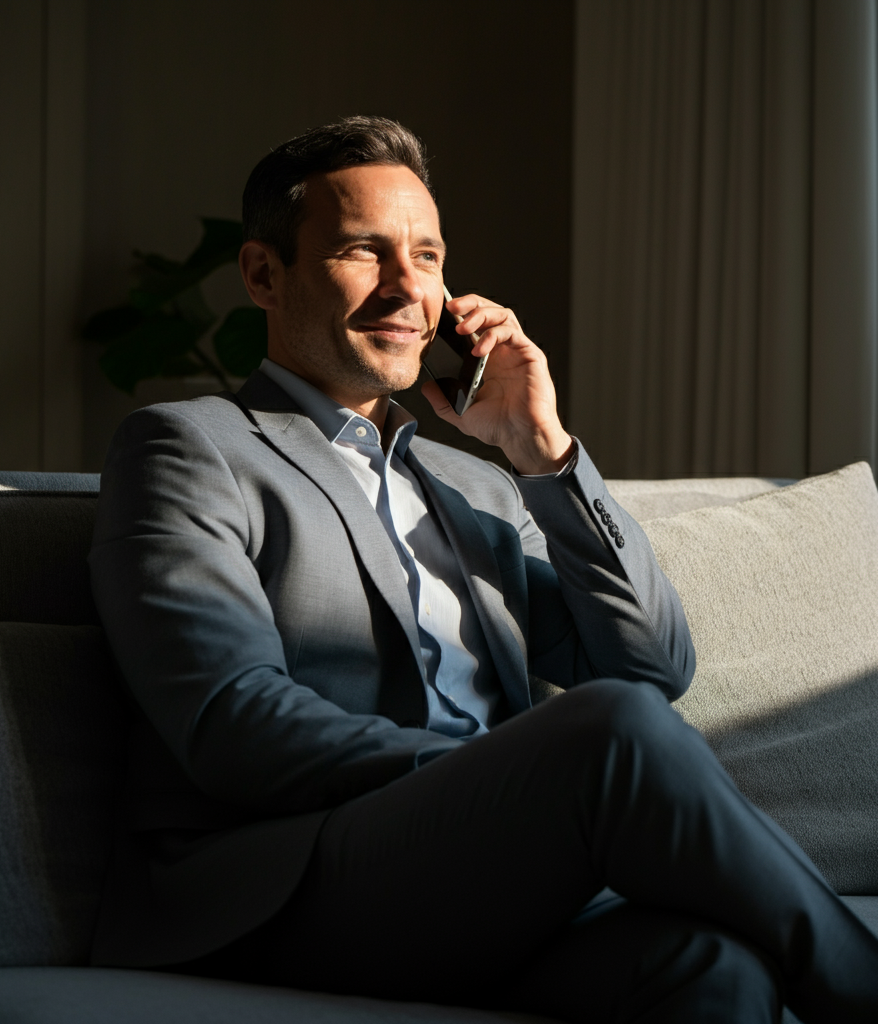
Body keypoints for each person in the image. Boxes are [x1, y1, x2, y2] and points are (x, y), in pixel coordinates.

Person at [89, 116, 878, 1022]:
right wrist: (492, 776)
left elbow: (650, 668)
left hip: (477, 886)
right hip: (287, 884)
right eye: (362, 252)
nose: (406, 289)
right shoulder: (191, 448)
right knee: (605, 731)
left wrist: (545, 456)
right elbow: (233, 721)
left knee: (710, 969)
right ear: (265, 274)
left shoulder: (479, 485)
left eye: (426, 257)